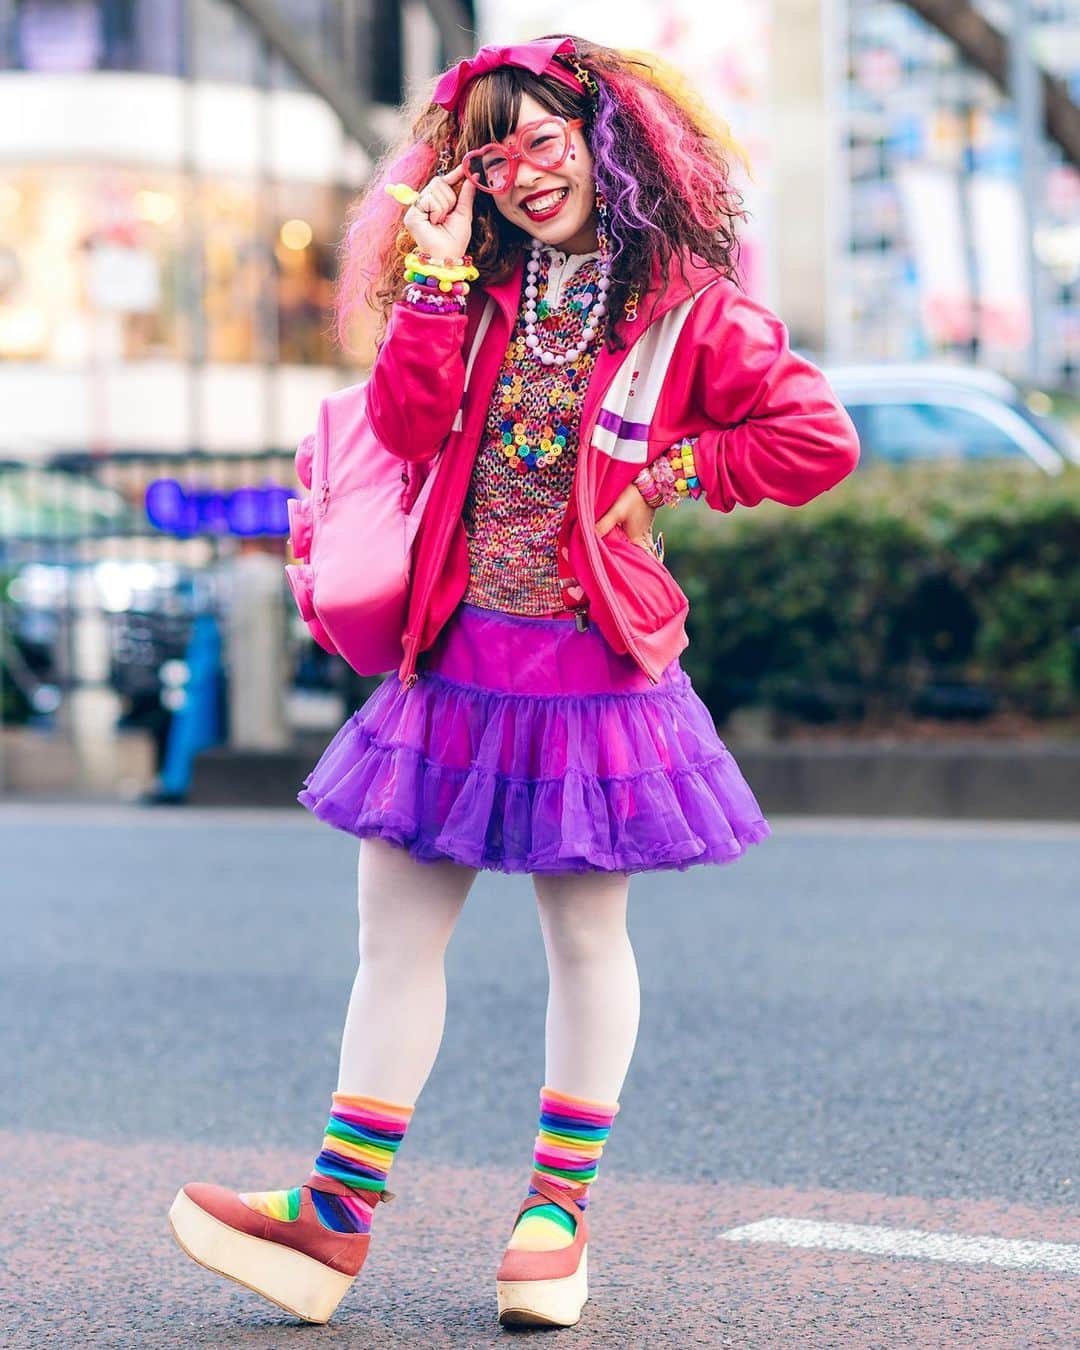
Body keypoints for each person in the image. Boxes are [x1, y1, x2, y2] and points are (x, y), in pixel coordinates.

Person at [168, 34, 860, 1330]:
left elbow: (815, 436)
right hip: (455, 661)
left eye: (542, 141)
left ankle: (553, 1220)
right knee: (394, 936)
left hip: (596, 669)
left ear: (606, 143)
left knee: (586, 937)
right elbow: (407, 428)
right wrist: (432, 268)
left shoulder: (687, 307)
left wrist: (677, 475)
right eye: (490, 155)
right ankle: (333, 1219)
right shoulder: (473, 287)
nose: (523, 174)